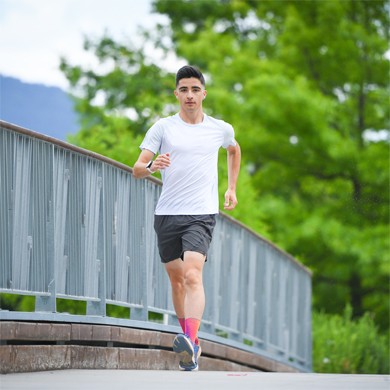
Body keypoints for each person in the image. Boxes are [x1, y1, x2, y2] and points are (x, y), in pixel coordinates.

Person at [133, 65, 241, 371]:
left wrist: (231, 188)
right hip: (167, 213)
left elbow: (234, 151)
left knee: (193, 274)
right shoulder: (163, 128)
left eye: (195, 89)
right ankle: (188, 342)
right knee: (177, 281)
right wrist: (153, 165)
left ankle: (191, 342)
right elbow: (137, 169)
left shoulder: (220, 128)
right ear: (176, 94)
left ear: (203, 93)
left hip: (201, 213)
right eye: (184, 90)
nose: (190, 95)